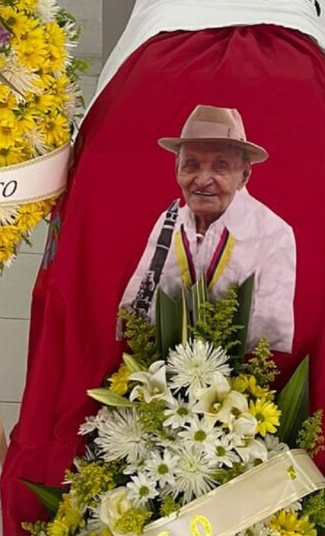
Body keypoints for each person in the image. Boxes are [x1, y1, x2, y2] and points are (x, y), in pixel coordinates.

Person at [119, 104, 295, 351]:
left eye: (221, 166)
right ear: (177, 168)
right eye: (191, 165)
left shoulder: (274, 234)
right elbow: (131, 312)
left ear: (244, 175)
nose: (202, 180)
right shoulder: (167, 221)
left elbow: (271, 340)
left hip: (234, 371)